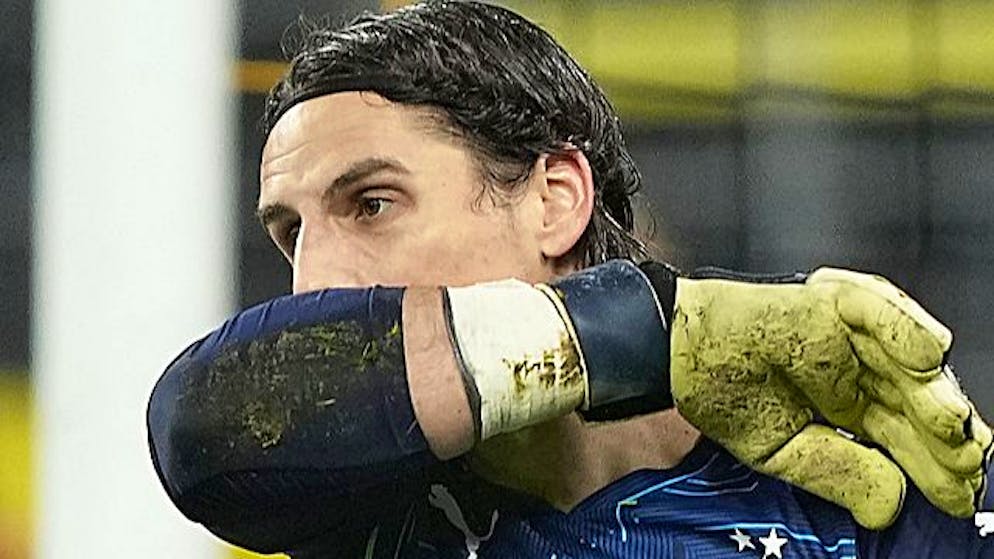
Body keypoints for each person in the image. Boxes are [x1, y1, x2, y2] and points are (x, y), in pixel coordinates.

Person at [147, 2, 992, 557]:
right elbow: (199, 428)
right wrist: (643, 332)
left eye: (372, 204)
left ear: (555, 200)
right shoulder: (367, 496)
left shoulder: (855, 481)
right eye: (291, 233)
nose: (314, 279)